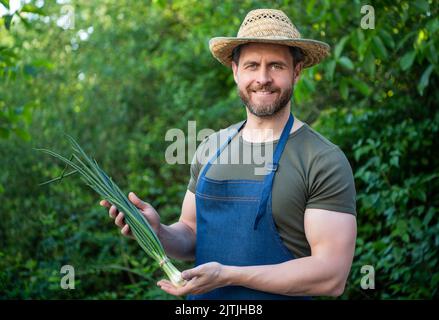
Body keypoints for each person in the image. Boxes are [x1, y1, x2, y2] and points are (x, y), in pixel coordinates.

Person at [100, 8, 357, 299]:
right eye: (251, 65)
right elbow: (192, 234)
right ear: (235, 71)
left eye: (276, 66)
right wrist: (157, 232)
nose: (263, 78)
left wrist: (229, 275)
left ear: (296, 72)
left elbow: (330, 276)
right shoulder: (211, 147)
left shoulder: (321, 159)